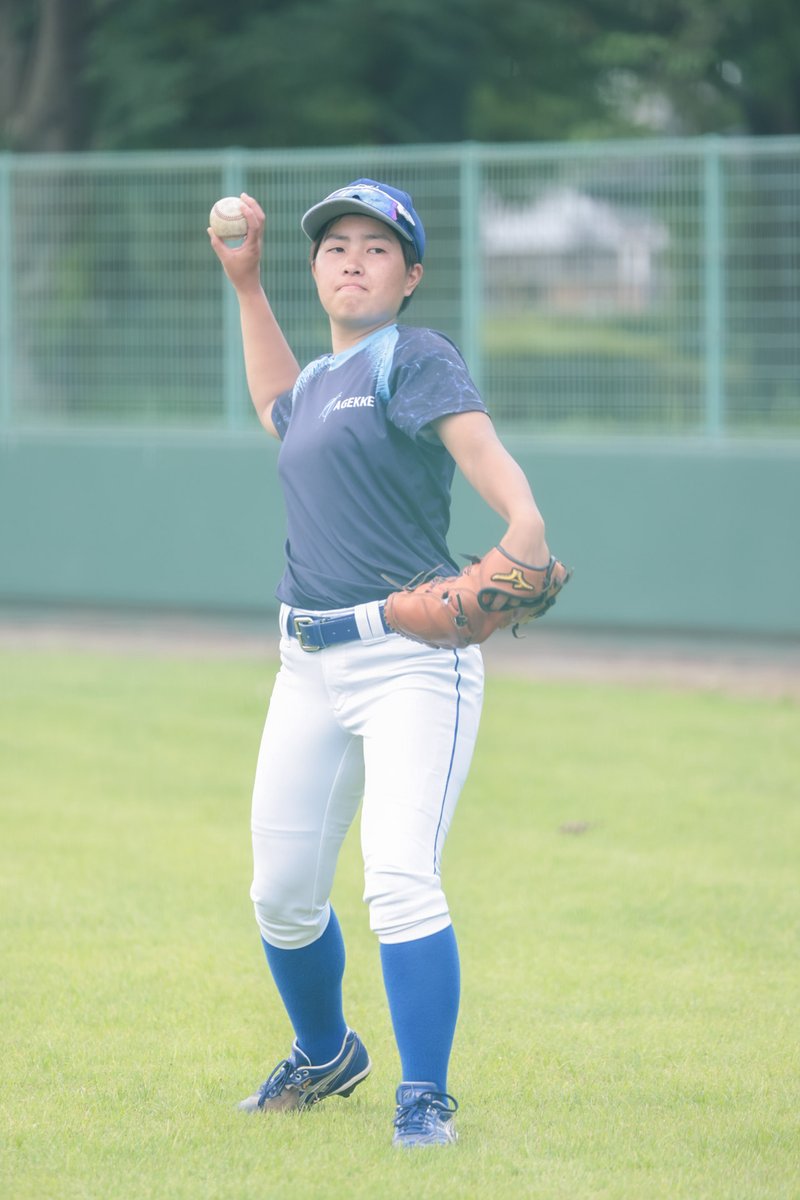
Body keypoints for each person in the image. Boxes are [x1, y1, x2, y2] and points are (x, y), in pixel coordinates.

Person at [208, 179, 559, 1148]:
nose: (351, 259)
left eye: (375, 247)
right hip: (305, 662)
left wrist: (521, 538)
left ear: (409, 277)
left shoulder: (415, 357)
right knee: (279, 894)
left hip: (409, 657)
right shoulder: (320, 382)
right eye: (333, 246)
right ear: (314, 269)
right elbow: (278, 404)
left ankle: (423, 1099)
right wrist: (245, 287)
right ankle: (325, 1055)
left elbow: (502, 485)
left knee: (398, 875)